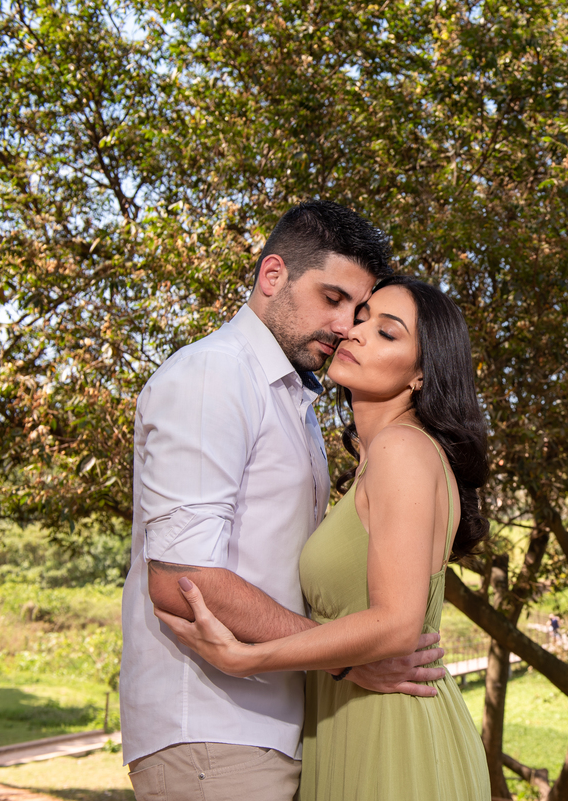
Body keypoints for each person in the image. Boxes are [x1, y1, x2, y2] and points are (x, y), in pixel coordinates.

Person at [121, 202, 448, 801]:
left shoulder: (292, 400)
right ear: (273, 276)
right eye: (333, 299)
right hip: (214, 731)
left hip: (276, 730)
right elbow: (180, 579)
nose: (345, 326)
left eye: (359, 311)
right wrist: (346, 661)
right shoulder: (213, 376)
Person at [159, 276, 492, 800]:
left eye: (387, 332)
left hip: (391, 732)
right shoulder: (377, 458)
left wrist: (245, 658)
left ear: (421, 376)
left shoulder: (402, 449)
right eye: (361, 319)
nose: (356, 333)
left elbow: (397, 624)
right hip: (353, 719)